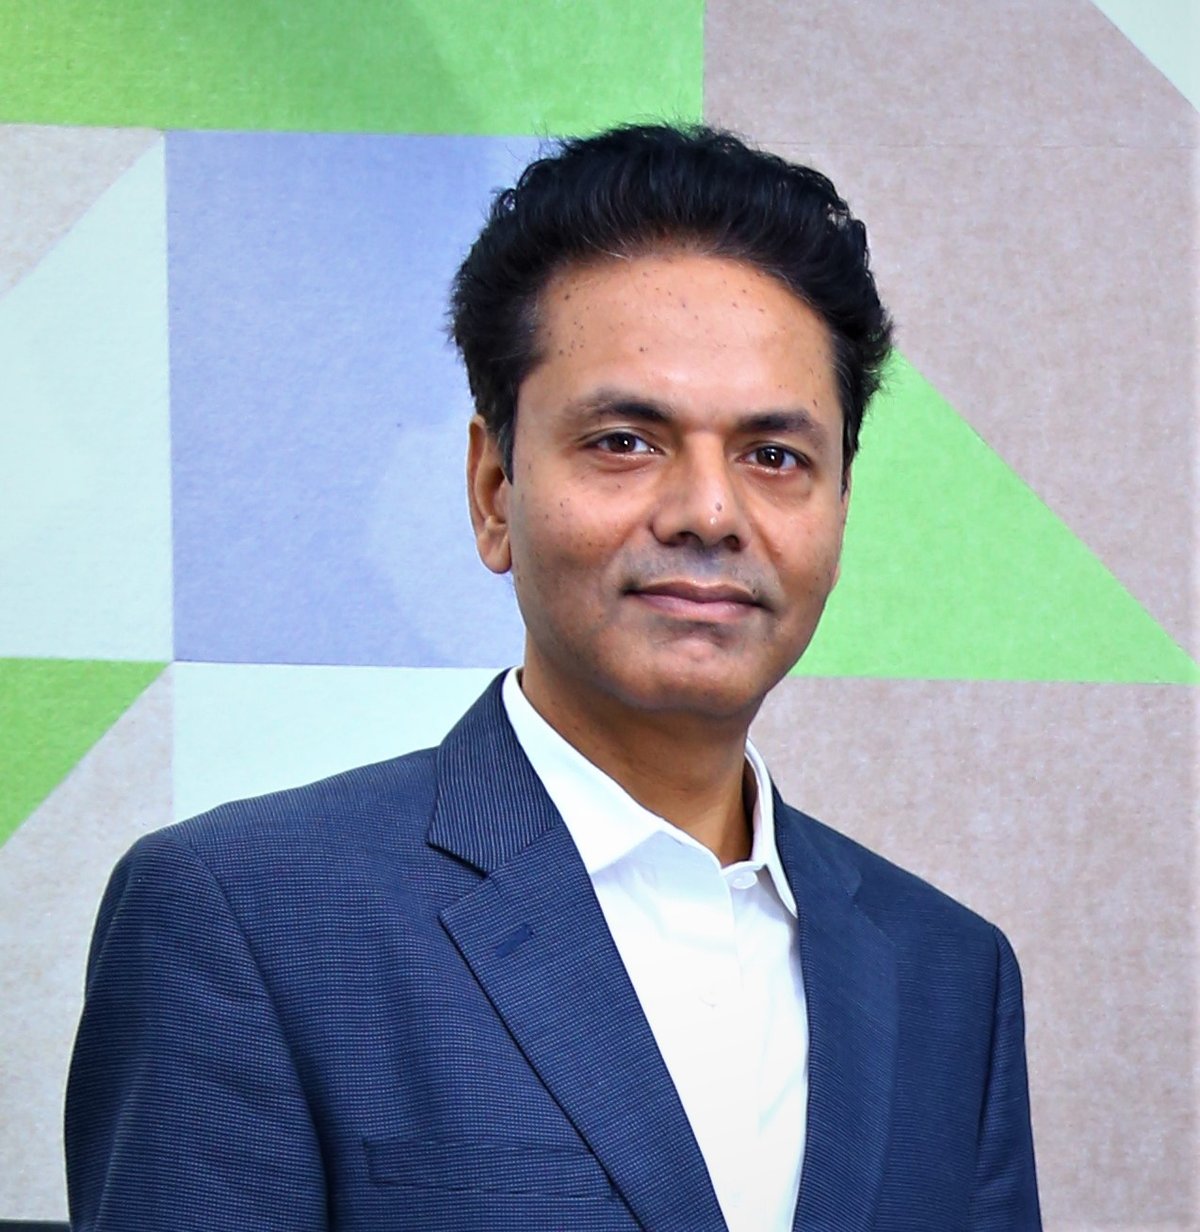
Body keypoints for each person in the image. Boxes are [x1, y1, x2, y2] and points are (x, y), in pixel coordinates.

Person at [65, 124, 1041, 1230]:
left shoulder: (950, 973)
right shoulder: (246, 917)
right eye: (626, 440)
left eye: (775, 456)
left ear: (839, 510)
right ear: (494, 490)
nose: (709, 512)